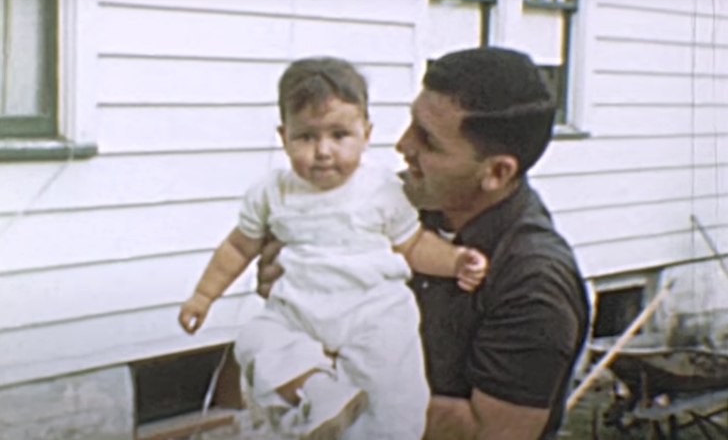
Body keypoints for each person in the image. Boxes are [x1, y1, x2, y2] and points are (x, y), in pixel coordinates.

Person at [256, 47, 590, 440]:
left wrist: (335, 388)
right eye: (411, 123)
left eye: (428, 141)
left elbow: (492, 431)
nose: (402, 145)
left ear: (496, 172)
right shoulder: (387, 203)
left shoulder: (534, 283)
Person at [177, 57, 488, 440]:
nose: (323, 150)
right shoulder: (272, 192)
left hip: (373, 309)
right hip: (298, 310)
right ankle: (320, 394)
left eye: (339, 135)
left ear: (366, 133)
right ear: (283, 136)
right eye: (306, 137)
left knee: (393, 390)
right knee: (255, 341)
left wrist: (455, 260)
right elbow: (239, 247)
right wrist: (203, 296)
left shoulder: (382, 188)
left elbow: (413, 245)